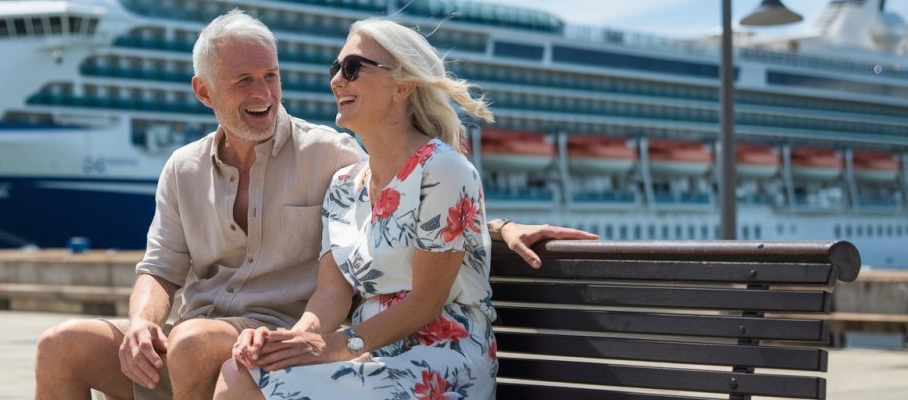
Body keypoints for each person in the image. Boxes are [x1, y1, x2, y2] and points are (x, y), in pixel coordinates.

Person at [35, 11, 597, 400]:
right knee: (61, 345)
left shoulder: (334, 153)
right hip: (281, 341)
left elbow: (434, 226)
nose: (263, 94)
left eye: (271, 76)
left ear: (402, 85)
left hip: (349, 347)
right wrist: (140, 325)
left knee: (206, 349)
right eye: (242, 82)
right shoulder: (336, 180)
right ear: (204, 92)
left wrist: (497, 226)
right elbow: (162, 270)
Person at [213, 17, 537, 399]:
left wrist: (335, 347)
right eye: (336, 69)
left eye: (352, 69)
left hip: (441, 360)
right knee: (240, 370)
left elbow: (426, 301)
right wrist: (289, 341)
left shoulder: (442, 169)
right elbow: (330, 295)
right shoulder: (344, 185)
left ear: (402, 85)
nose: (336, 81)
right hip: (369, 354)